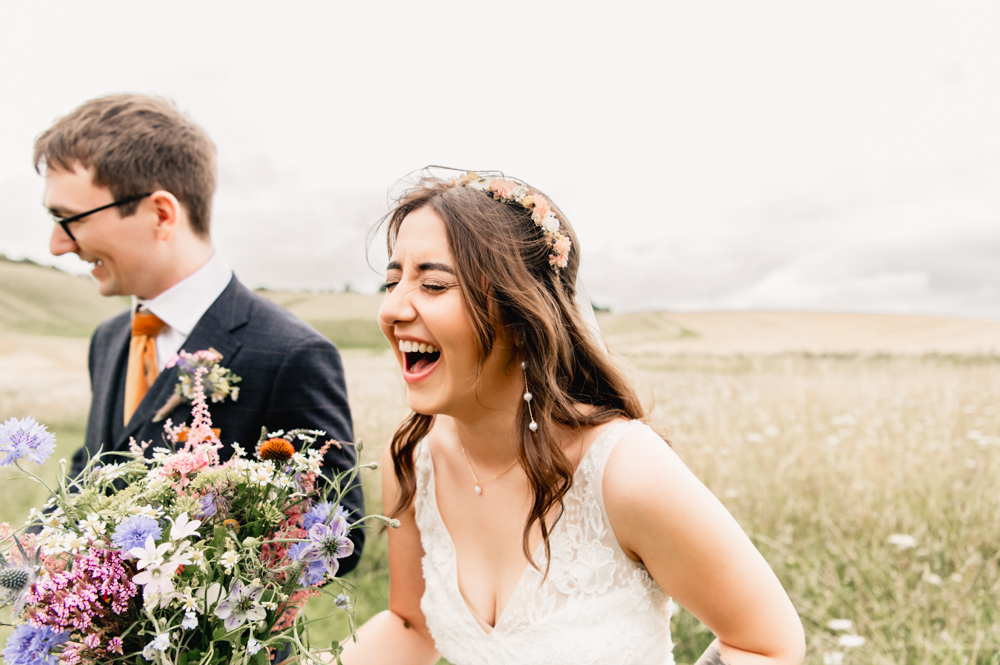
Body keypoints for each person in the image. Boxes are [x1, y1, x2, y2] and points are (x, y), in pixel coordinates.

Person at [338, 172, 805, 665]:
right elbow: (411, 627)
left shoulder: (624, 469)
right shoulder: (412, 460)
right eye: (391, 282)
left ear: (520, 314)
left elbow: (767, 645)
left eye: (433, 284)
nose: (391, 308)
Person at [34, 94, 364, 574]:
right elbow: (97, 470)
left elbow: (343, 531)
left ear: (161, 214)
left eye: (71, 219)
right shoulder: (108, 340)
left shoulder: (292, 353)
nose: (58, 244)